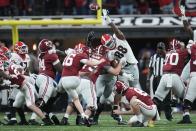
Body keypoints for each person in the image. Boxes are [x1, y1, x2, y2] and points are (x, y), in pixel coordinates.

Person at [153, 39, 188, 120]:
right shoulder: (182, 52)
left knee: (156, 99)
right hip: (175, 76)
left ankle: (150, 118)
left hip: (164, 76)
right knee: (185, 98)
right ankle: (186, 116)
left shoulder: (168, 53)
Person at [147, 42, 172, 120]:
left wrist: (164, 53)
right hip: (156, 78)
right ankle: (157, 113)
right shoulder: (153, 57)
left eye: (161, 48)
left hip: (165, 78)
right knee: (156, 97)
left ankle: (168, 113)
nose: (159, 49)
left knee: (167, 97)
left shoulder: (168, 56)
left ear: (164, 49)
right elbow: (150, 69)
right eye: (158, 48)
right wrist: (148, 80)